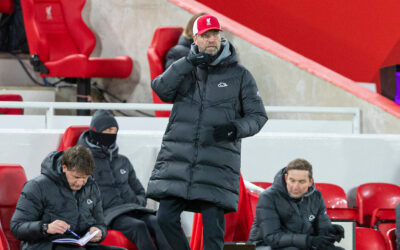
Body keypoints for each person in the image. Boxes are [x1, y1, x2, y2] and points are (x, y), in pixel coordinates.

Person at [147, 14, 268, 250]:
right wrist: (187, 62)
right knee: (164, 219)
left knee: (213, 235)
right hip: (179, 162)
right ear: (195, 38)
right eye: (206, 35)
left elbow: (258, 116)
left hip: (216, 164)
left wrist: (235, 129)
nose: (212, 39)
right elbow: (161, 90)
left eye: (215, 34)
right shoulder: (184, 68)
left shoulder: (240, 75)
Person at [77, 109, 171, 250]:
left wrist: (137, 201)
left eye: (115, 131)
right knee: (138, 227)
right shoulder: (84, 162)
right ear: (96, 131)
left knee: (158, 222)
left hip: (133, 208)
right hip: (109, 214)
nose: (112, 134)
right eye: (108, 130)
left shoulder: (123, 161)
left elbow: (139, 190)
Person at [10, 146, 125, 250]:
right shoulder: (37, 186)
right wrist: (46, 227)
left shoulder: (91, 186)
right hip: (45, 245)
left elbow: (100, 223)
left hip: (80, 245)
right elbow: (17, 227)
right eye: (76, 177)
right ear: (64, 167)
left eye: (85, 177)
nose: (80, 182)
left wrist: (99, 232)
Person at [248, 158, 345, 250]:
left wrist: (331, 232)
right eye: (292, 180)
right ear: (286, 178)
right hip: (264, 246)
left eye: (301, 182)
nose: (295, 187)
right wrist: (309, 241)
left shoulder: (316, 197)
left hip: (300, 245)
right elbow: (272, 237)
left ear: (310, 182)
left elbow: (322, 229)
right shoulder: (268, 197)